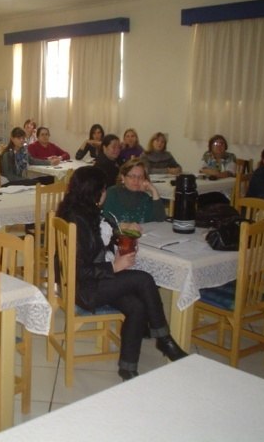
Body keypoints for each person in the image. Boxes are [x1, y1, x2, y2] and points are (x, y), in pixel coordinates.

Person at [56, 166, 187, 381]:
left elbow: (95, 246)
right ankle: (164, 339)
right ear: (94, 191)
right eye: (103, 189)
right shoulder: (78, 220)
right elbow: (79, 269)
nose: (105, 193)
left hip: (93, 282)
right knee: (144, 279)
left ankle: (127, 368)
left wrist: (117, 245)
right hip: (84, 288)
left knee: (137, 306)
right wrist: (114, 267)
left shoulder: (82, 210)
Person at [103, 159, 166, 223]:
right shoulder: (113, 193)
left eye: (140, 177)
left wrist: (153, 190)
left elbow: (160, 218)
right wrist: (124, 226)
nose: (136, 180)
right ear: (123, 177)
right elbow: (106, 219)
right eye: (132, 176)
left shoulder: (145, 197)